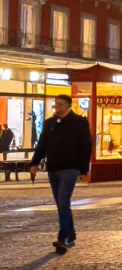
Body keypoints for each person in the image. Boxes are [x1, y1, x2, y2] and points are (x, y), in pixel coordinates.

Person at [30, 94, 93, 254]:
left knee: (63, 199)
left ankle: (63, 236)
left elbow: (86, 147)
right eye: (55, 104)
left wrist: (85, 170)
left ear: (67, 106)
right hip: (53, 167)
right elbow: (42, 143)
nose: (56, 107)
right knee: (60, 202)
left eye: (59, 104)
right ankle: (70, 233)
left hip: (70, 168)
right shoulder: (49, 123)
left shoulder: (79, 122)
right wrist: (34, 162)